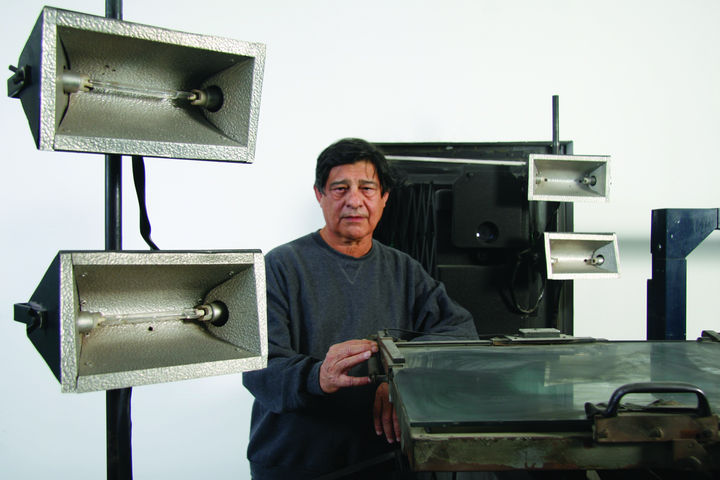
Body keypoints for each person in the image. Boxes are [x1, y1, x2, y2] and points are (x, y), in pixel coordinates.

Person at [242, 138, 478, 479]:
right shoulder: (278, 267)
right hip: (296, 461)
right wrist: (317, 376)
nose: (354, 200)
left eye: (367, 188)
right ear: (319, 195)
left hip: (383, 461)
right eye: (340, 188)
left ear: (384, 198)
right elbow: (257, 368)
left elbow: (460, 331)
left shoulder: (404, 270)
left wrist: (401, 378)